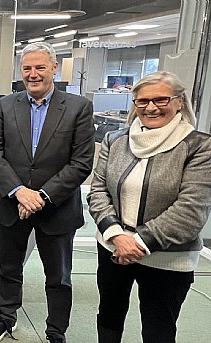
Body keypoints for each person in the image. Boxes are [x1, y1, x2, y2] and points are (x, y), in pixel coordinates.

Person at [0, 42, 95, 343]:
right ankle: (7, 317)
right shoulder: (6, 105)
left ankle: (56, 331)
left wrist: (41, 196)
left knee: (58, 277)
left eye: (40, 67)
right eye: (27, 68)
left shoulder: (77, 107)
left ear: (54, 68)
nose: (33, 74)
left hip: (57, 209)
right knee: (8, 268)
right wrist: (20, 192)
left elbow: (82, 163)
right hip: (12, 204)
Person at [87, 71, 211, 343]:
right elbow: (98, 191)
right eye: (142, 101)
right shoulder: (116, 140)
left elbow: (191, 210)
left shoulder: (199, 146)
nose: (151, 107)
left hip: (168, 257)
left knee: (158, 328)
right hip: (112, 246)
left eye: (161, 99)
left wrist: (138, 242)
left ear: (179, 102)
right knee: (109, 315)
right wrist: (117, 236)